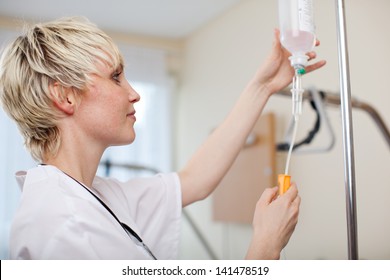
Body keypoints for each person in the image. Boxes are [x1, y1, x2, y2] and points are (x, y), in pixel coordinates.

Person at [0, 17, 325, 260]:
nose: (134, 93)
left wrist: (262, 86)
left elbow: (193, 181)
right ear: (66, 97)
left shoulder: (97, 195)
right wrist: (266, 245)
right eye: (116, 77)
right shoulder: (65, 227)